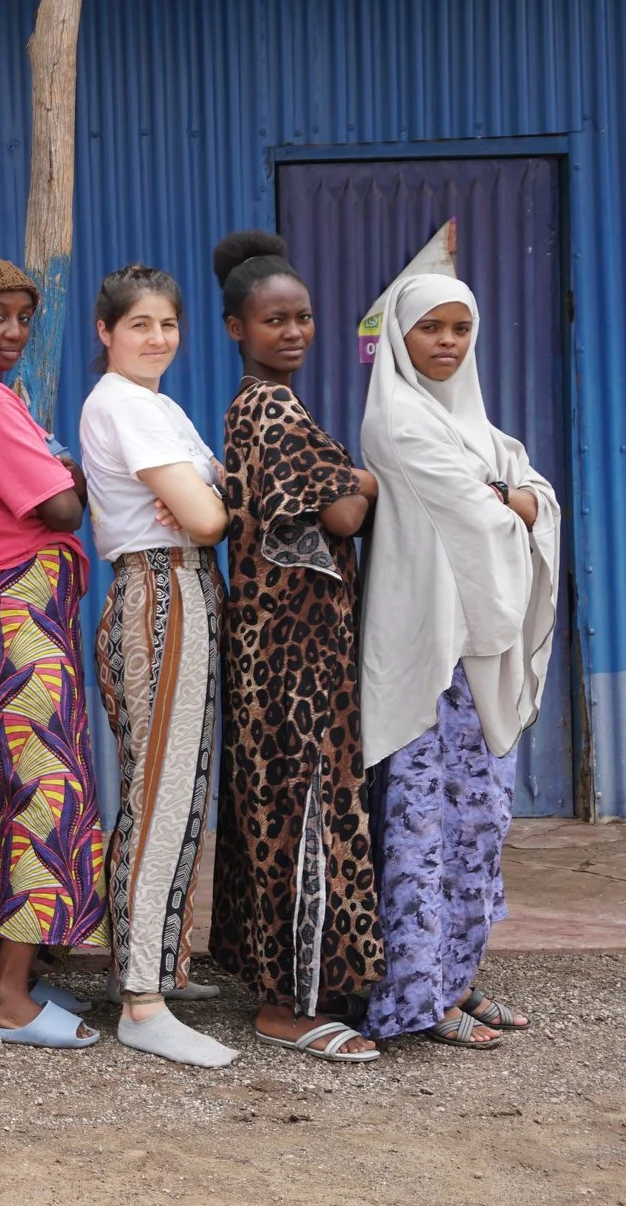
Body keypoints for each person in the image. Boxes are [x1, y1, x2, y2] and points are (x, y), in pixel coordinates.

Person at [358, 273, 560, 1050]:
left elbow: (532, 496)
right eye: (429, 328)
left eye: (459, 329)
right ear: (401, 339)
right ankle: (417, 994)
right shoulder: (397, 420)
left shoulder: (474, 425)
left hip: (478, 656)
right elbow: (482, 515)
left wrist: (514, 497)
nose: (445, 342)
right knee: (422, 823)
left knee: (479, 821)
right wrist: (514, 498)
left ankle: (459, 976)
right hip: (427, 656)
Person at [209, 232, 385, 1062]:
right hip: (292, 655)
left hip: (278, 643)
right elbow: (345, 515)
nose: (293, 331)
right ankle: (288, 1004)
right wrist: (366, 479)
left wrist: (346, 474)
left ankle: (283, 981)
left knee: (274, 811)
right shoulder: (272, 410)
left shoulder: (258, 407)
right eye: (273, 319)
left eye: (304, 317)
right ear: (236, 327)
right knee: (299, 814)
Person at [0, 259, 108, 1050]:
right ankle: (5, 992)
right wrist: (70, 474)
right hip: (16, 615)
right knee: (47, 793)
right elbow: (62, 507)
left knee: (7, 791)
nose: (12, 332)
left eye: (21, 318)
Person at [78, 265, 237, 1069]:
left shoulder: (159, 404)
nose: (156, 338)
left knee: (178, 786)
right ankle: (142, 997)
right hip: (159, 586)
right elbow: (209, 513)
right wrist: (208, 496)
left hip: (183, 586)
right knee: (161, 791)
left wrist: (211, 495)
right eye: (138, 324)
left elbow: (213, 495)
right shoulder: (125, 405)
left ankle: (154, 966)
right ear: (105, 332)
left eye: (168, 323)